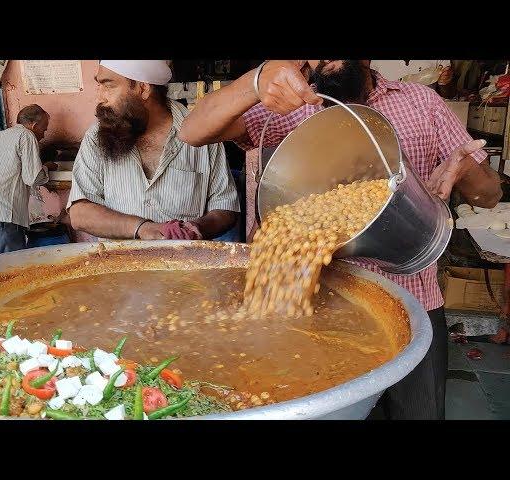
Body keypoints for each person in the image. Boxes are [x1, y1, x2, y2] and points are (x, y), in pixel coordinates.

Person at [179, 60, 503, 420]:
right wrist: (257, 81)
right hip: (314, 306)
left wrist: (465, 170)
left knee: (420, 412)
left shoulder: (421, 102)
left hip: (414, 300)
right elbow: (193, 130)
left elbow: (489, 195)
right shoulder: (288, 103)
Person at [67, 60, 239, 241]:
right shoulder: (96, 136)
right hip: (118, 265)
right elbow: (79, 214)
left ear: (143, 89)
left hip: (185, 265)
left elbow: (225, 208)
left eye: (109, 86)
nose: (99, 98)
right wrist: (142, 228)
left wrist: (195, 228)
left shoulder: (204, 134)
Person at [0, 104, 56, 256]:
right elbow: (33, 177)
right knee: (12, 266)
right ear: (34, 125)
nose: (43, 135)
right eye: (43, 129)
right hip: (4, 213)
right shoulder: (26, 135)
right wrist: (47, 168)